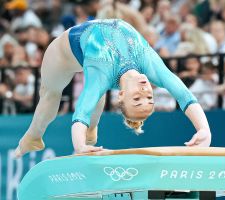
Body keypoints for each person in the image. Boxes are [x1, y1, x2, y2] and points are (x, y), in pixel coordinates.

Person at [15, 19, 211, 158]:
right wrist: (204, 129)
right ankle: (35, 138)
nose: (145, 93)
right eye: (149, 99)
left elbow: (81, 110)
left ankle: (32, 135)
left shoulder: (102, 69)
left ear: (122, 95)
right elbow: (184, 95)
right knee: (69, 94)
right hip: (80, 50)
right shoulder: (149, 65)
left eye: (137, 100)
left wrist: (80, 146)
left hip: (64, 53)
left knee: (55, 95)